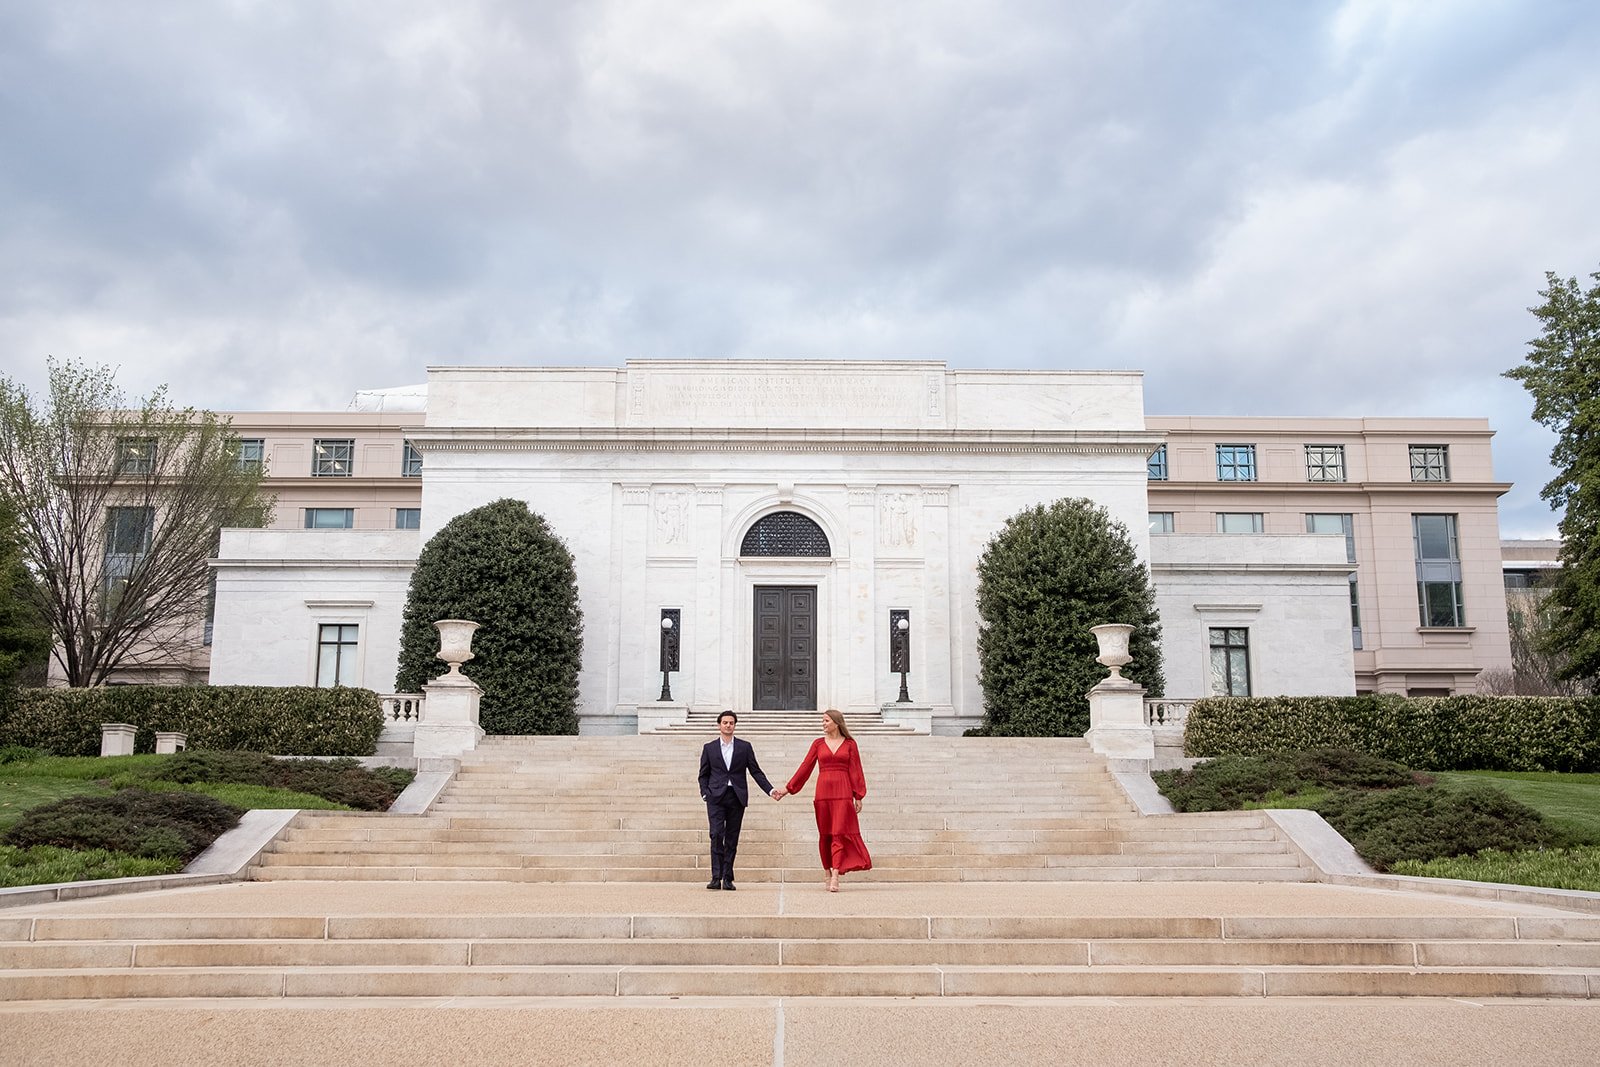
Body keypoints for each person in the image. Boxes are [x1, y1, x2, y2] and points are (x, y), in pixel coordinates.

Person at [772, 708, 871, 892]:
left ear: (836, 722)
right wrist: (787, 789)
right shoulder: (818, 744)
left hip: (843, 793)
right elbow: (805, 767)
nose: (823, 724)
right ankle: (826, 871)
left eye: (826, 721)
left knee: (839, 833)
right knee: (825, 834)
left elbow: (856, 770)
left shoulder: (850, 744)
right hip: (823, 794)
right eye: (822, 721)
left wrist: (858, 795)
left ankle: (835, 875)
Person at [697, 710, 776, 891]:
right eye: (725, 722)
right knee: (716, 835)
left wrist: (770, 790)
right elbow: (703, 774)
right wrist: (705, 793)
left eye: (731, 723)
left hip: (736, 797)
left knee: (732, 838)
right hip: (715, 797)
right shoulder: (709, 748)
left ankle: (728, 877)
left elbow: (755, 771)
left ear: (735, 725)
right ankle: (716, 877)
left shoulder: (744, 747)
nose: (728, 725)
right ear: (719, 725)